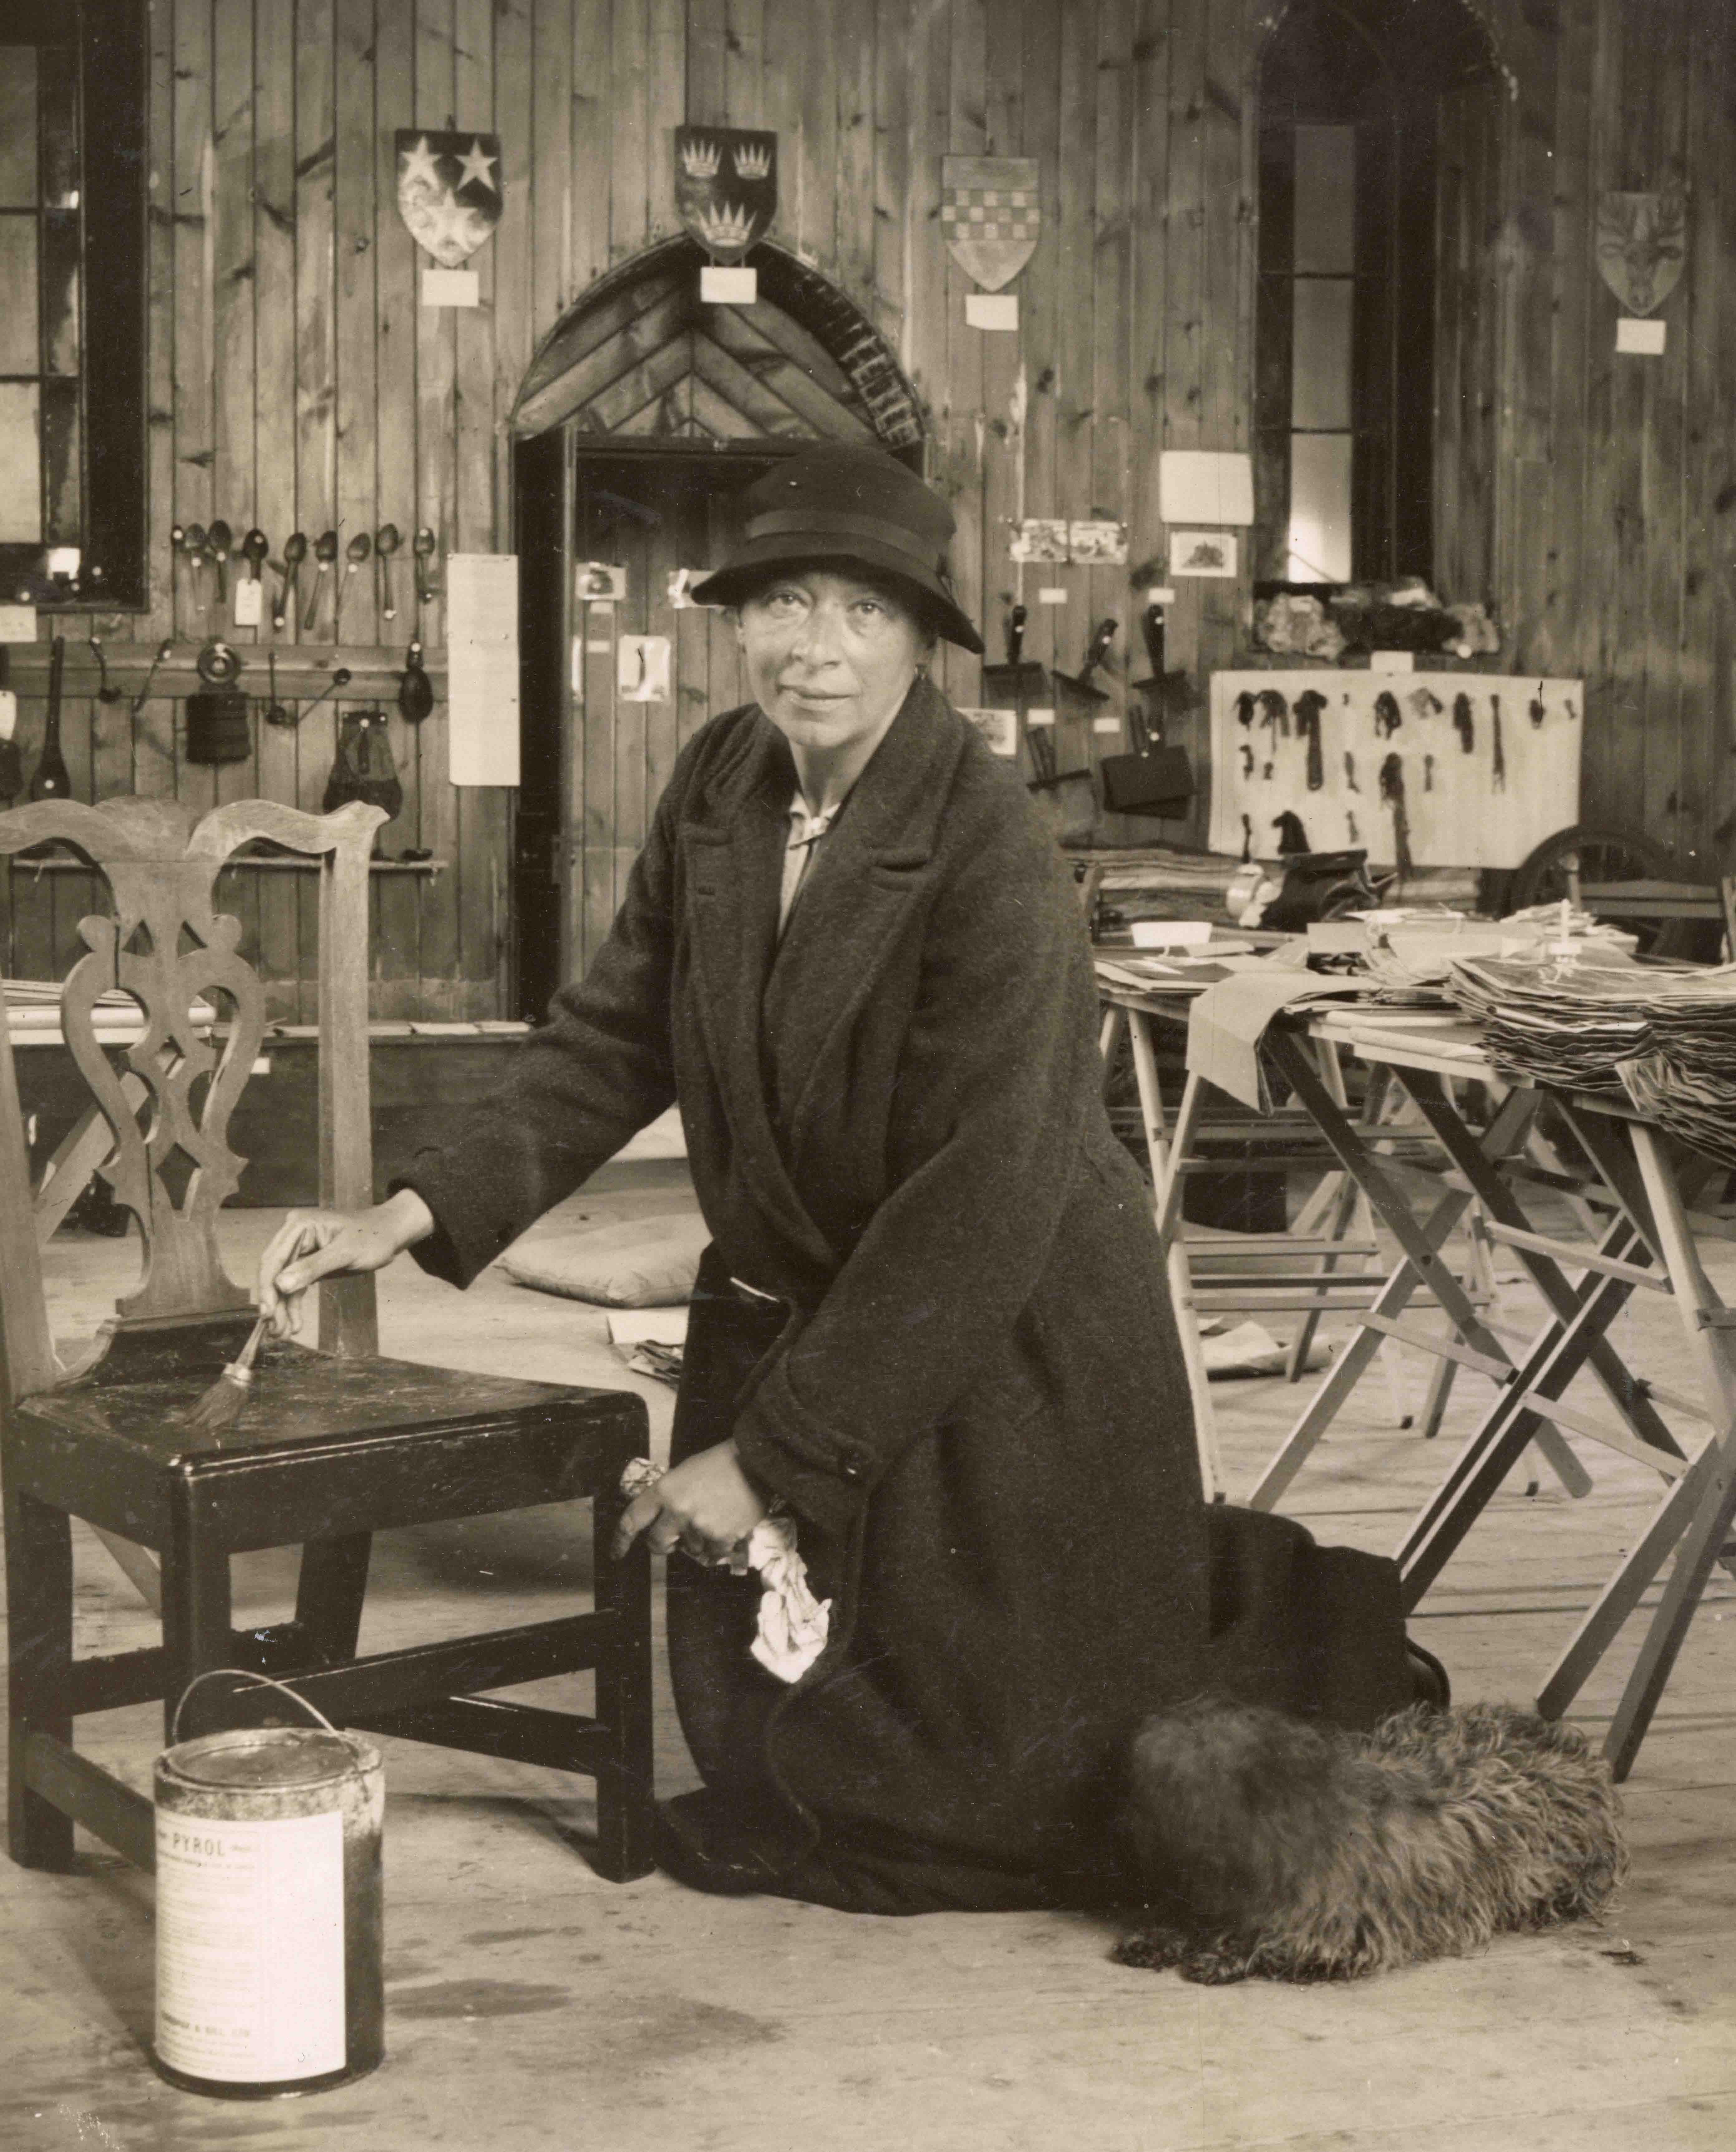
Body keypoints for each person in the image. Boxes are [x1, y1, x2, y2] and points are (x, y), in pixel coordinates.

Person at [257, 444, 1414, 1916]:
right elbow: (616, 1031)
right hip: (814, 1302)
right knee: (776, 1737)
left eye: (862, 613)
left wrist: (768, 1461)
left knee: (988, 1790)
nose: (816, 651)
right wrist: (407, 1211)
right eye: (784, 605)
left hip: (1003, 1335)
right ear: (733, 623)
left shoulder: (990, 842)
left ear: (921, 638)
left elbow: (977, 1203)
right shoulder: (722, 782)